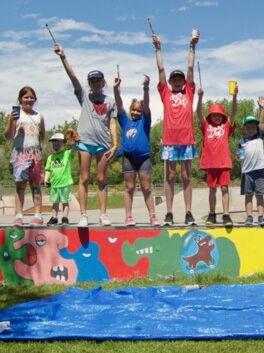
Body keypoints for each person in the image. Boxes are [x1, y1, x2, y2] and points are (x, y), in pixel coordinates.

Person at [55, 44, 118, 227]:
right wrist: (63, 57)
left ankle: (103, 214)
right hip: (85, 142)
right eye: (92, 81)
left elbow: (112, 122)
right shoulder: (83, 96)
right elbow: (72, 77)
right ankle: (83, 215)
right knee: (84, 178)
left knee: (101, 179)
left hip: (103, 144)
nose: (96, 83)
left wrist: (115, 144)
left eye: (98, 81)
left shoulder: (110, 101)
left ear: (103, 82)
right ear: (89, 83)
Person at [153, 31, 199, 226]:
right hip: (170, 141)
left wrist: (192, 46)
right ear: (171, 82)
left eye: (180, 79)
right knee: (171, 176)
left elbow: (190, 67)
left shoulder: (189, 91)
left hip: (187, 141)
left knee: (186, 175)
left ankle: (188, 212)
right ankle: (169, 212)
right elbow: (161, 69)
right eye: (175, 79)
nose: (178, 81)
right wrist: (158, 49)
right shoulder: (166, 93)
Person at [113, 74, 159, 226]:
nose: (136, 113)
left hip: (143, 158)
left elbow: (146, 106)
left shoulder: (145, 122)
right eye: (133, 110)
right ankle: (128, 216)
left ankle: (152, 216)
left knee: (146, 187)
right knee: (129, 187)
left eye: (138, 111)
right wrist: (116, 89)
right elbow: (119, 106)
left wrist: (146, 89)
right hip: (129, 159)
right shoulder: (125, 121)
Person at [196, 86, 238, 227]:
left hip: (224, 163)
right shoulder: (206, 126)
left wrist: (234, 96)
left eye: (219, 115)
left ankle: (226, 214)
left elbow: (233, 113)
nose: (217, 117)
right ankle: (212, 213)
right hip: (210, 164)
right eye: (214, 115)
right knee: (212, 189)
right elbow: (198, 113)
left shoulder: (226, 127)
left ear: (223, 117)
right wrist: (200, 96)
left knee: (225, 189)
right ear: (210, 117)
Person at [4, 86, 46, 226]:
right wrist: (11, 121)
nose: (29, 100)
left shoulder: (39, 116)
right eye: (26, 97)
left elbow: (43, 135)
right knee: (20, 185)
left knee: (35, 186)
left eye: (31, 97)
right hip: (20, 153)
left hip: (35, 153)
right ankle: (19, 216)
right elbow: (8, 136)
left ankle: (38, 215)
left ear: (35, 99)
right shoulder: (15, 115)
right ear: (20, 99)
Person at [238, 97, 264, 227]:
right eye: (248, 127)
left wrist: (261, 108)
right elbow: (240, 156)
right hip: (246, 173)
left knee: (260, 195)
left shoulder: (259, 137)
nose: (251, 129)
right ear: (244, 128)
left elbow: (262, 122)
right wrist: (238, 157)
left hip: (259, 171)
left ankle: (260, 216)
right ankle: (249, 216)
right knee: (248, 196)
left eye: (253, 127)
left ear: (257, 128)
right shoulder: (241, 142)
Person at [44, 130, 78, 226]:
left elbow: (74, 149)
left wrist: (75, 140)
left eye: (59, 142)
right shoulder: (50, 157)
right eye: (54, 143)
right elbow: (48, 170)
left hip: (65, 183)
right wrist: (46, 179)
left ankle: (65, 218)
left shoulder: (67, 154)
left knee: (65, 202)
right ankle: (54, 218)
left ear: (63, 143)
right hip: (54, 184)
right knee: (54, 202)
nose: (56, 145)